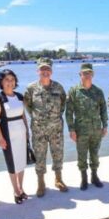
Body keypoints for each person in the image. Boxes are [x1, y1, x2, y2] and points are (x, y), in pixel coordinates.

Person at [24, 57, 67, 196]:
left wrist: (54, 118)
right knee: (40, 156)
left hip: (56, 129)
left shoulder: (59, 87)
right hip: (38, 130)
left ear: (51, 71)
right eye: (42, 69)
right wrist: (38, 119)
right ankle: (41, 183)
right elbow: (28, 106)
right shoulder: (31, 88)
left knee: (58, 154)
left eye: (48, 69)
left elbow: (63, 105)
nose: (45, 71)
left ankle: (58, 179)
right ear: (37, 71)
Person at [65, 63, 108, 190]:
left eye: (89, 73)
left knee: (95, 154)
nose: (87, 75)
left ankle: (94, 176)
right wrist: (71, 130)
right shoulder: (74, 91)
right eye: (84, 73)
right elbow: (69, 112)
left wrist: (105, 125)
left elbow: (103, 110)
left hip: (96, 130)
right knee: (82, 155)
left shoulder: (98, 91)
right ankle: (84, 179)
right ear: (80, 75)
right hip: (81, 131)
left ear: (92, 74)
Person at [0, 69, 29, 204]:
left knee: (21, 162)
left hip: (20, 131)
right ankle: (15, 190)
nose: (10, 82)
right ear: (1, 82)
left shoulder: (19, 97)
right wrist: (0, 138)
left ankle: (22, 187)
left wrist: (26, 131)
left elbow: (23, 115)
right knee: (12, 163)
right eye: (6, 80)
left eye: (12, 79)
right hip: (7, 132)